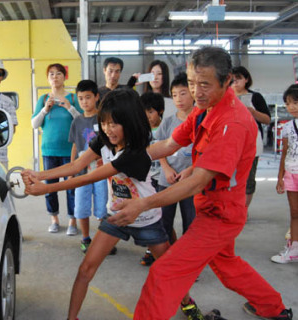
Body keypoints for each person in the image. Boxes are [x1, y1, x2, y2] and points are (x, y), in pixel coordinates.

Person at [109, 46, 292, 320]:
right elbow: (170, 143)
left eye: (204, 84)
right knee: (226, 265)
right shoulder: (205, 109)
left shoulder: (232, 122)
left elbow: (197, 182)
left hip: (221, 215)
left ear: (227, 80)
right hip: (210, 206)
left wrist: (143, 203)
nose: (196, 91)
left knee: (164, 272)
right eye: (192, 83)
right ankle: (273, 307)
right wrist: (126, 158)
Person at [23, 89, 204, 320]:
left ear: (130, 122)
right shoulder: (104, 140)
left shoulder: (136, 153)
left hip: (147, 219)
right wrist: (39, 175)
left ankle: (188, 304)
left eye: (115, 124)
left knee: (169, 270)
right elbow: (77, 165)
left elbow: (90, 177)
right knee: (85, 269)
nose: (109, 129)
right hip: (116, 217)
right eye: (105, 123)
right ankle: (72, 318)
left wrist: (46, 188)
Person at [31, 63, 83, 235]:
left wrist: (69, 107)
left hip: (70, 151)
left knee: (71, 186)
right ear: (48, 78)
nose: (55, 77)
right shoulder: (43, 99)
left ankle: (72, 220)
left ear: (65, 77)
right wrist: (45, 109)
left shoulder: (74, 98)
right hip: (49, 150)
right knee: (50, 187)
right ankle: (54, 218)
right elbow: (34, 124)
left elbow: (83, 122)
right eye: (51, 74)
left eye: (59, 73)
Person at [68, 80, 109, 254]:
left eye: (88, 97)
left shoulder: (104, 118)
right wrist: (72, 169)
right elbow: (75, 146)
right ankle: (85, 239)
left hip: (101, 172)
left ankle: (102, 242)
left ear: (96, 97)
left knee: (103, 208)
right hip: (82, 173)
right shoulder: (76, 121)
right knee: (81, 206)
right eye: (81, 98)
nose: (84, 102)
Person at [155, 72, 195, 245]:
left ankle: (188, 258)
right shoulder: (168, 121)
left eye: (183, 93)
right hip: (167, 178)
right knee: (164, 220)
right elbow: (159, 147)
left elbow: (206, 152)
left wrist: (191, 170)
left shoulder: (201, 121)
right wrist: (166, 168)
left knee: (191, 222)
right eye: (174, 95)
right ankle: (166, 255)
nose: (178, 99)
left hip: (191, 180)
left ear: (193, 92)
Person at [231, 66, 271, 213]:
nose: (235, 82)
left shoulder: (255, 97)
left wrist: (253, 112)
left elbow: (267, 119)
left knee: (248, 179)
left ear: (246, 79)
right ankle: (232, 207)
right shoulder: (225, 96)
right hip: (230, 143)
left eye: (239, 78)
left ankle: (243, 209)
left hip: (252, 143)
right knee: (229, 177)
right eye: (233, 79)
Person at [139, 91, 165, 266]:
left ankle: (162, 250)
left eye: (150, 111)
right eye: (144, 112)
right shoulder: (141, 130)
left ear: (160, 111)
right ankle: (151, 249)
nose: (147, 116)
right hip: (147, 179)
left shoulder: (165, 128)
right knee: (150, 215)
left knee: (163, 218)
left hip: (163, 178)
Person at [272, 83, 298, 264]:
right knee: (295, 213)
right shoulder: (287, 127)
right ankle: (294, 249)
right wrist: (280, 176)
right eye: (288, 103)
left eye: (295, 102)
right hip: (291, 173)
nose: (292, 107)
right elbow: (285, 151)